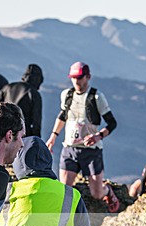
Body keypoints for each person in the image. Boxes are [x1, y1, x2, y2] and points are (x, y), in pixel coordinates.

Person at [46, 61, 120, 213]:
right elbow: (62, 116)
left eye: (80, 77)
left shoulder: (97, 97)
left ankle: (107, 191)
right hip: (70, 148)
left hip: (91, 150)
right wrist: (53, 137)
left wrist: (98, 136)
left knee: (97, 194)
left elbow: (112, 123)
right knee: (64, 191)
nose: (76, 81)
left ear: (88, 77)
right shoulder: (66, 95)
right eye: (73, 77)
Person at [0, 64, 44, 137]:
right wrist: (37, 140)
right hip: (23, 135)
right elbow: (36, 122)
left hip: (4, 132)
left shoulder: (8, 87)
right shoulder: (34, 93)